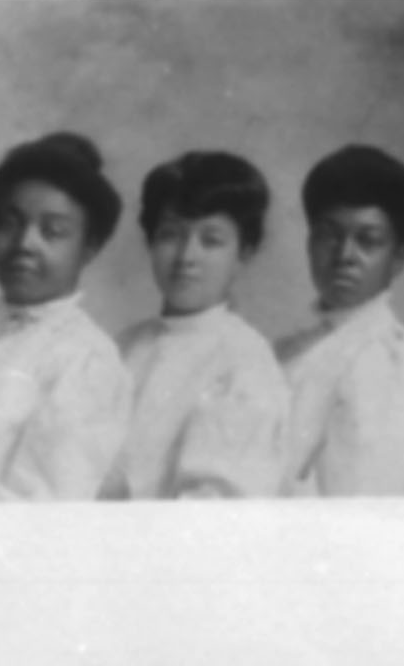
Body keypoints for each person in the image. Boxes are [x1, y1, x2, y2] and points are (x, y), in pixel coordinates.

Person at [99, 151, 291, 500]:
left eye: (211, 240)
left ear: (244, 251)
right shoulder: (125, 346)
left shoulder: (243, 362)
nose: (187, 257)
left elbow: (213, 513)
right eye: (171, 235)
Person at [0, 132, 132, 501]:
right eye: (9, 223)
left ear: (89, 247)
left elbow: (36, 514)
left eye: (52, 231)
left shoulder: (86, 360)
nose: (25, 243)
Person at [273, 145, 404, 496]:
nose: (345, 255)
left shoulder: (389, 361)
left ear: (399, 258)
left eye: (368, 241)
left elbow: (359, 512)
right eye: (329, 235)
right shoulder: (292, 348)